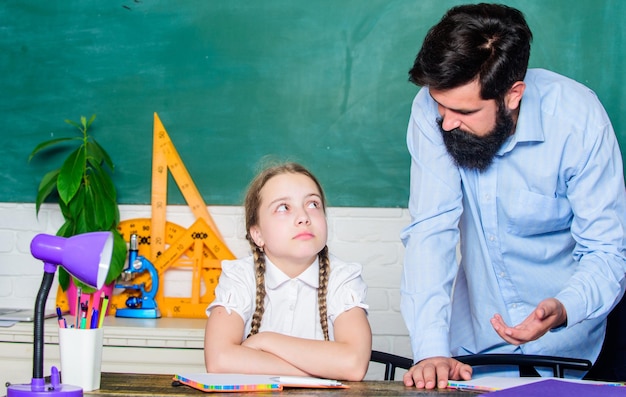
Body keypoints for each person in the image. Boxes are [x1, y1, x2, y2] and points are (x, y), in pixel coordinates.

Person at [399, 3, 626, 389]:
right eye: (440, 105)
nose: (447, 122)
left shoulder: (577, 118)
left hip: (578, 343)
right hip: (478, 348)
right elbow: (430, 232)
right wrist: (431, 349)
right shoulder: (433, 111)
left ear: (513, 95)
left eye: (463, 111)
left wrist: (564, 306)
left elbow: (608, 251)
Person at [204, 162, 372, 381]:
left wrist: (265, 340)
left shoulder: (342, 278)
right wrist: (318, 371)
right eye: (283, 207)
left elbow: (353, 364)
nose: (304, 217)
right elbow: (219, 360)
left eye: (313, 204)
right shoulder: (240, 276)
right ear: (257, 234)